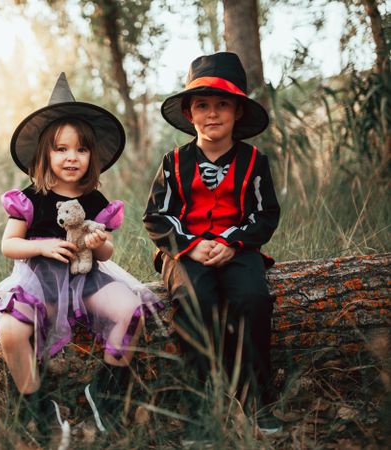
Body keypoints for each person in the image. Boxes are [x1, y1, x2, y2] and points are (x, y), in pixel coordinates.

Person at [0, 73, 162, 435]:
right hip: (40, 278)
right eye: (61, 149)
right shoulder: (31, 197)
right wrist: (42, 245)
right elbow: (9, 245)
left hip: (87, 277)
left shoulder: (96, 201)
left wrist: (100, 245)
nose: (72, 157)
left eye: (81, 149)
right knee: (11, 329)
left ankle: (105, 391)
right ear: (44, 153)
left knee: (131, 313)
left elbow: (104, 253)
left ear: (92, 155)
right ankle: (33, 401)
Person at [143, 52, 282, 434]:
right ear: (189, 114)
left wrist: (234, 242)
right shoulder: (172, 162)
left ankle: (254, 397)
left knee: (252, 298)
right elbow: (156, 215)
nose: (213, 113)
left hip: (238, 249)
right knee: (194, 299)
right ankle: (199, 404)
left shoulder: (255, 161)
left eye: (223, 104)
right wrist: (189, 245)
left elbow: (265, 213)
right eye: (202, 105)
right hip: (184, 250)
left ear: (238, 111)